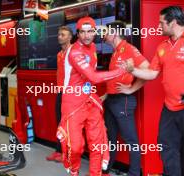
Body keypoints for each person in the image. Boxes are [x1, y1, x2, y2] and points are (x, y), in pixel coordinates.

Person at [126, 6, 184, 176]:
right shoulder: (162, 46)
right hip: (169, 108)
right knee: (167, 147)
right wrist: (132, 70)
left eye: (161, 23)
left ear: (173, 22)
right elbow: (152, 73)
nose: (158, 26)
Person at [56, 17, 127, 176]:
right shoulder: (74, 51)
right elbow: (93, 77)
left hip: (90, 100)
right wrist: (121, 71)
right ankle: (73, 168)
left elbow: (90, 79)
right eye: (83, 32)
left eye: (90, 31)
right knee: (75, 147)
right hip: (73, 103)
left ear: (95, 32)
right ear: (78, 33)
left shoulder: (93, 46)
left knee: (97, 144)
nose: (87, 36)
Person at [102, 21, 149, 176]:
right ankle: (105, 170)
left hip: (123, 101)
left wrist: (132, 89)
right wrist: (107, 95)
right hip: (111, 101)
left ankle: (135, 173)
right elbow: (116, 78)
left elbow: (147, 69)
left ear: (114, 33)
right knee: (110, 139)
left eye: (107, 31)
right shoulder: (115, 52)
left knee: (131, 141)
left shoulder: (128, 49)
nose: (104, 35)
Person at [46, 26, 73, 162]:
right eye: (59, 34)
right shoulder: (59, 54)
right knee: (59, 122)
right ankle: (58, 150)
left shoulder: (73, 52)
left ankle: (67, 153)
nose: (59, 36)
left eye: (63, 34)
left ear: (70, 37)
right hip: (60, 91)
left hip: (71, 93)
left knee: (68, 124)